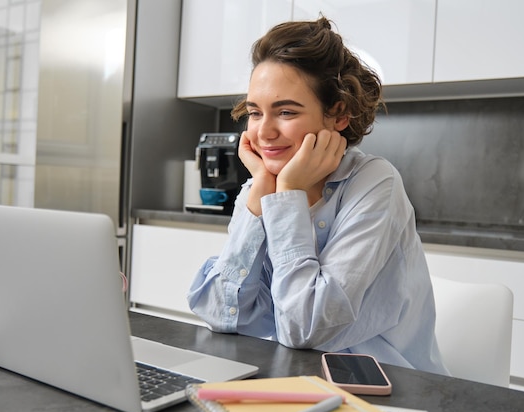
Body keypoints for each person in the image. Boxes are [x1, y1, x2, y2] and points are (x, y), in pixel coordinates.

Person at [187, 16, 448, 375]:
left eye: (286, 111)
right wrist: (259, 194)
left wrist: (288, 195)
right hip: (291, 379)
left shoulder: (374, 183)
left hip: (385, 388)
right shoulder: (262, 185)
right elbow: (219, 314)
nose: (264, 132)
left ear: (338, 114)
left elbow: (304, 329)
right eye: (254, 112)